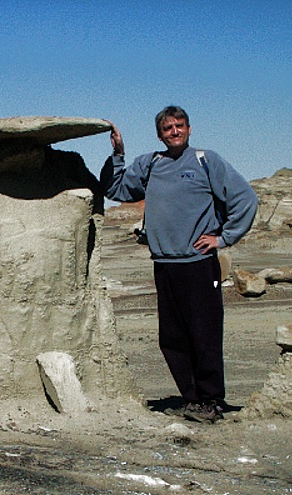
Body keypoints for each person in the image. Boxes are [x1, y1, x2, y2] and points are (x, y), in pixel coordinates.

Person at [101, 106, 258, 423]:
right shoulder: (150, 163)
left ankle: (211, 401)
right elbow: (116, 189)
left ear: (189, 129)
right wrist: (118, 154)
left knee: (205, 335)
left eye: (180, 126)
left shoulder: (205, 160)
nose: (174, 131)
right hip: (164, 264)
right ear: (159, 134)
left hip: (198, 264)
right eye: (168, 128)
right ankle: (193, 400)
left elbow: (246, 199)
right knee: (172, 338)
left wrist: (223, 238)